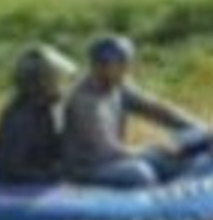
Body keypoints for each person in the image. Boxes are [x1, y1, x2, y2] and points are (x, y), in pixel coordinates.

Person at [62, 36, 204, 188]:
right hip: (89, 166)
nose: (126, 69)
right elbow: (107, 150)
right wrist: (155, 150)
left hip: (112, 158)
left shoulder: (117, 87)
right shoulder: (85, 101)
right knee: (139, 173)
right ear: (100, 66)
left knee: (174, 163)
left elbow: (158, 110)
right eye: (121, 64)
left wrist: (200, 128)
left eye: (127, 63)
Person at [0, 45, 77, 185]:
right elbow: (11, 169)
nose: (61, 87)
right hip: (18, 191)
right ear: (40, 82)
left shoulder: (42, 110)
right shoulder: (21, 119)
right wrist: (53, 175)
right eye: (55, 79)